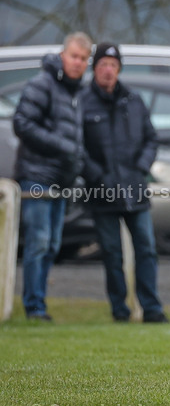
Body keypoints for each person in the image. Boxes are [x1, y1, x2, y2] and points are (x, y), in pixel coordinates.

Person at [81, 43, 169, 323]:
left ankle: (151, 308)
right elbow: (77, 148)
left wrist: (141, 168)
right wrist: (97, 176)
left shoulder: (133, 99)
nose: (108, 71)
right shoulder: (82, 101)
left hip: (135, 189)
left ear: (119, 69)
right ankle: (119, 309)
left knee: (147, 249)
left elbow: (151, 139)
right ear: (95, 68)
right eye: (103, 65)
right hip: (102, 192)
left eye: (113, 65)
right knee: (111, 253)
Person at [13, 32, 91, 321]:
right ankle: (34, 307)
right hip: (37, 176)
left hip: (62, 181)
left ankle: (39, 303)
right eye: (74, 56)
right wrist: (62, 146)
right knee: (39, 242)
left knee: (53, 245)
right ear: (62, 56)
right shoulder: (42, 84)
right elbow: (22, 123)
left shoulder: (76, 92)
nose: (78, 62)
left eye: (83, 58)